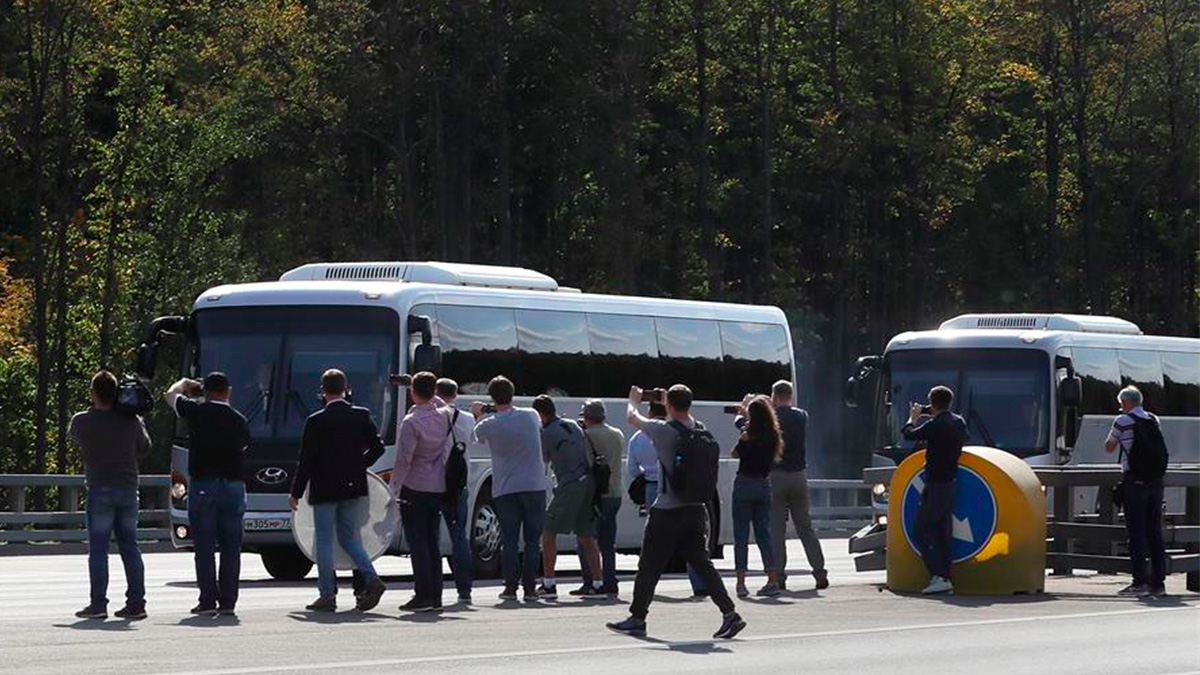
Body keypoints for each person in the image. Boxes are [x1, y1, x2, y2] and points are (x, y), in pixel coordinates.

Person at [607, 385, 745, 640]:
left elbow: (631, 417)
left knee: (649, 565)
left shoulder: (663, 431)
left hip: (667, 511)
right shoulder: (700, 429)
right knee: (702, 564)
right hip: (696, 510)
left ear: (669, 405)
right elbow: (679, 412)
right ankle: (730, 614)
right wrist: (669, 400)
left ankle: (637, 618)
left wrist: (634, 400)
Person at [288, 369, 387, 613]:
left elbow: (306, 461)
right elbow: (378, 448)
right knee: (350, 537)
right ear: (347, 389)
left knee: (323, 540)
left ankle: (327, 595)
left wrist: (296, 492)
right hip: (353, 486)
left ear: (323, 391)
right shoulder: (361, 415)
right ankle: (371, 577)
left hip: (324, 487)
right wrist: (358, 466)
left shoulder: (315, 421)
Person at [166, 372, 251, 617]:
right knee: (231, 548)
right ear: (229, 391)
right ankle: (228, 602)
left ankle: (207, 600)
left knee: (204, 546)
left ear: (206, 391)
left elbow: (170, 395)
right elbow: (245, 445)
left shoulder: (197, 412)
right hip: (233, 487)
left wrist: (185, 384)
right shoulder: (239, 419)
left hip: (204, 485)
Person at [71, 371, 150, 620]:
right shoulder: (131, 421)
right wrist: (131, 414)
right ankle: (136, 603)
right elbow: (145, 447)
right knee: (130, 547)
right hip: (127, 489)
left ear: (93, 393)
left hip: (99, 489)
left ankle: (98, 604)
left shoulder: (82, 421)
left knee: (98, 550)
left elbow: (75, 438)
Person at [739, 380, 828, 591]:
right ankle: (819, 572)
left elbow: (751, 428)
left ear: (774, 396)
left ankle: (778, 575)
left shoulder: (771, 418)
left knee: (777, 529)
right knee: (805, 526)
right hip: (799, 477)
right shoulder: (802, 416)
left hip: (776, 477)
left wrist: (749, 410)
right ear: (791, 395)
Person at [472, 376, 546, 602]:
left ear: (492, 397)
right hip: (534, 486)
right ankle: (531, 588)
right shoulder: (531, 416)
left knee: (510, 540)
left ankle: (511, 587)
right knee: (533, 541)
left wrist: (480, 413)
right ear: (512, 394)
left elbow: (477, 435)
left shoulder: (488, 424)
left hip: (506, 488)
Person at [624, 402, 707, 597]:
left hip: (655, 489)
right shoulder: (681, 431)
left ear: (650, 412)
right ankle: (701, 585)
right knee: (692, 545)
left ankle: (644, 595)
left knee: (653, 545)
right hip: (683, 490)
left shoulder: (639, 437)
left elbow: (632, 469)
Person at [390, 371, 451, 612]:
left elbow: (404, 459)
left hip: (414, 486)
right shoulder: (445, 416)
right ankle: (436, 595)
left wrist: (393, 487)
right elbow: (442, 403)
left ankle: (422, 594)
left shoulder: (411, 422)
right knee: (432, 541)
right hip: (437, 485)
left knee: (418, 543)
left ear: (412, 393)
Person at [532, 395, 604, 599]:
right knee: (586, 534)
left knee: (548, 531)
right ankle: (598, 584)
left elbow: (544, 458)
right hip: (588, 481)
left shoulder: (546, 432)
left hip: (569, 484)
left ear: (541, 414)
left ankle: (549, 583)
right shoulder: (572, 423)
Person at [901, 385, 968, 595]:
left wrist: (913, 417)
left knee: (921, 530)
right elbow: (962, 435)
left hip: (936, 483)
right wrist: (931, 412)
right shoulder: (958, 422)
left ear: (932, 402)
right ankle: (946, 576)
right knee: (942, 531)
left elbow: (908, 434)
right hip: (951, 481)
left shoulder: (935, 425)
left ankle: (939, 575)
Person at [1105, 385, 1168, 597]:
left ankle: (1139, 582)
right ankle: (1158, 584)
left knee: (1136, 533)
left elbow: (1110, 446)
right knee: (1154, 532)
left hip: (1135, 481)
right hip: (1156, 481)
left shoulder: (1122, 421)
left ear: (1125, 403)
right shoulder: (1153, 419)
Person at [730, 395, 782, 598]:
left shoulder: (747, 434)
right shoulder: (773, 435)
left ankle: (741, 583)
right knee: (763, 534)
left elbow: (736, 454)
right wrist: (745, 413)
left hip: (744, 484)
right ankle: (772, 579)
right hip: (763, 485)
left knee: (741, 535)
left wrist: (742, 439)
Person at [573, 399, 624, 598]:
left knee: (585, 539)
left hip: (595, 495)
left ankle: (591, 581)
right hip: (615, 493)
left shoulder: (586, 436)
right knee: (607, 542)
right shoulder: (617, 433)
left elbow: (585, 464)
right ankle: (610, 581)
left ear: (586, 416)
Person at [435, 377, 476, 603]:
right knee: (459, 536)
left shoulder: (434, 416)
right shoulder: (468, 418)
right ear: (455, 395)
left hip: (435, 482)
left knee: (431, 536)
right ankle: (464, 589)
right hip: (459, 484)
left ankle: (433, 588)